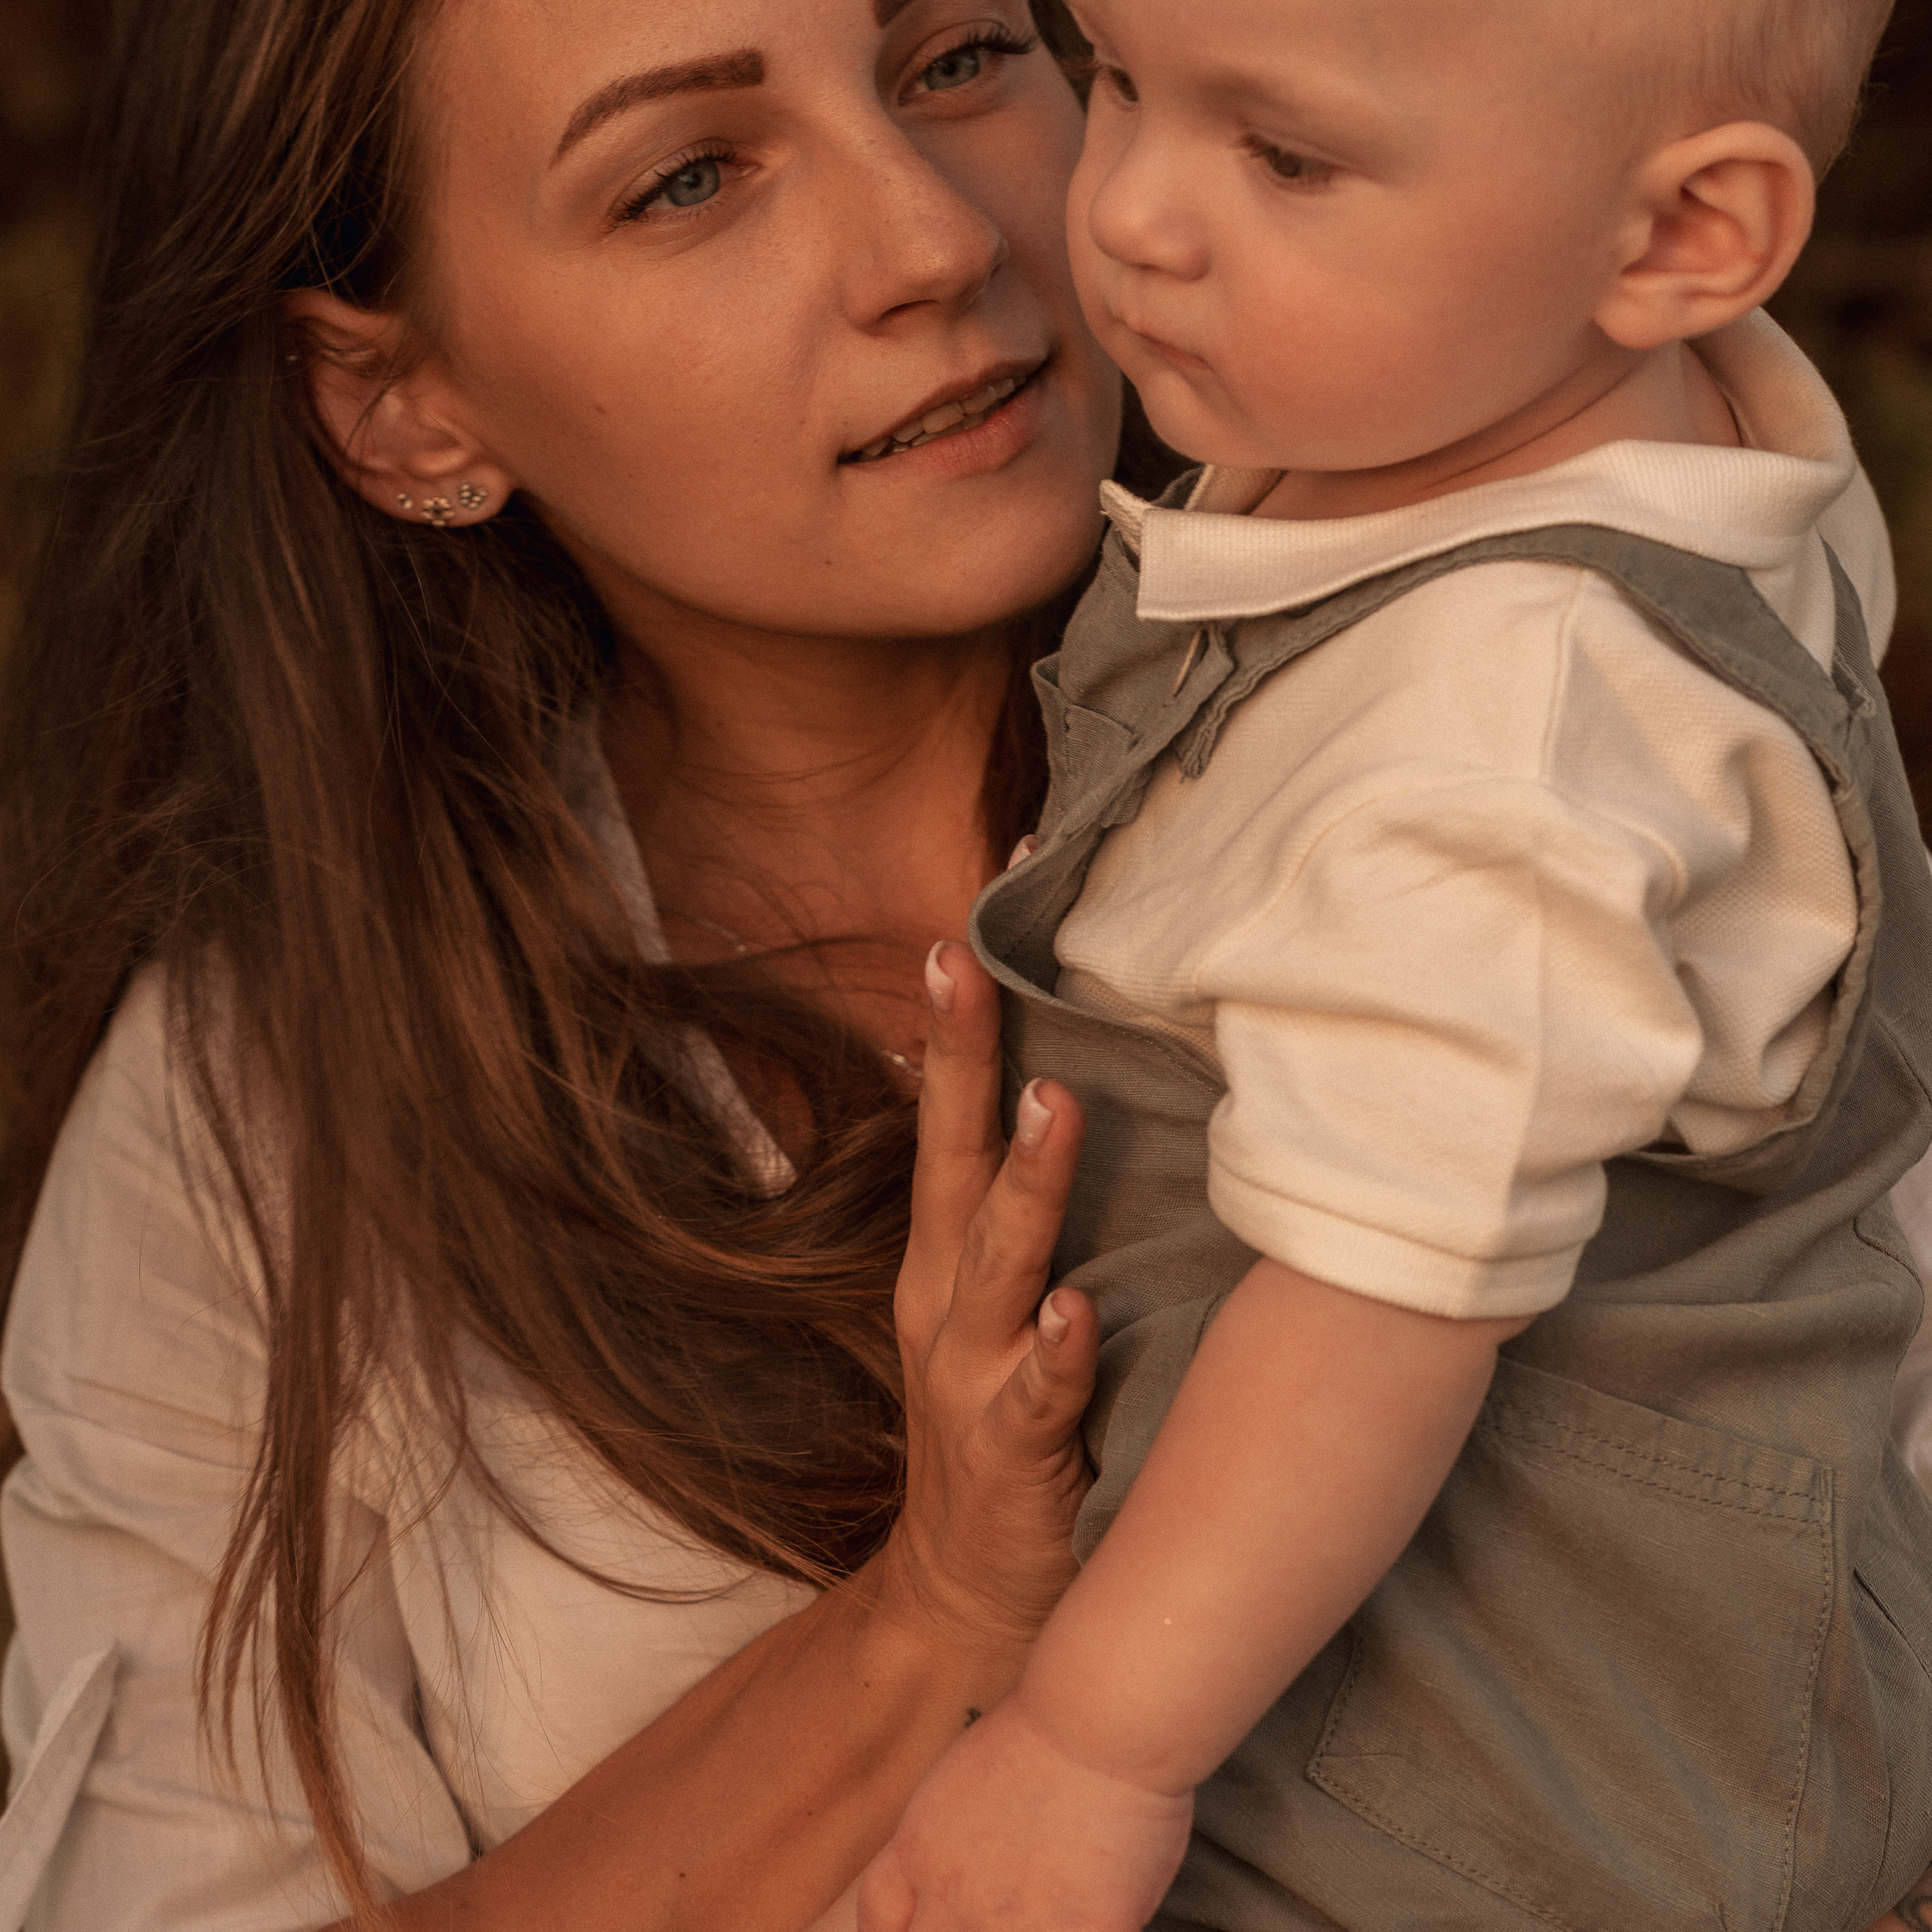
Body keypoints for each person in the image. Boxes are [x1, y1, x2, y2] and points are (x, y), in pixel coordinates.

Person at [0, 0, 1144, 1926]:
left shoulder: (1509, 759)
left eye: (952, 57)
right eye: (687, 176)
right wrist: (917, 1626)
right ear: (398, 404)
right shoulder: (268, 1106)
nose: (933, 238)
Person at [860, 0, 1932, 1927]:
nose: (1131, 214)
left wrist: (1090, 1750)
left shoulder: (1510, 729)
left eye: (1283, 157)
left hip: (1493, 1758)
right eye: (1114, 75)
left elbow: (1377, 1306)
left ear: (1682, 239)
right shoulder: (1521, 411)